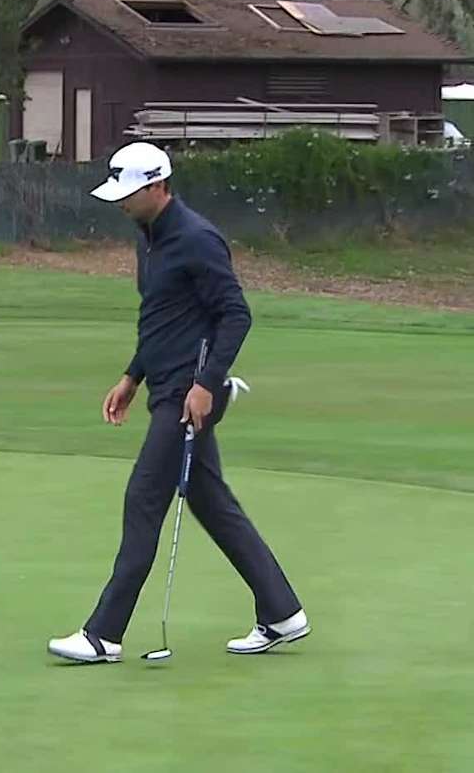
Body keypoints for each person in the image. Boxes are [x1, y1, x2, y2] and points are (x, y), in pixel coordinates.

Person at [47, 141, 308, 664]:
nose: (120, 203)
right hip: (166, 386)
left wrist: (207, 385)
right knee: (211, 502)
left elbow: (236, 315)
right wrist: (131, 375)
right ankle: (282, 612)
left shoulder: (196, 239)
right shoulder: (149, 239)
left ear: (157, 187)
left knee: (144, 498)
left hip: (190, 396)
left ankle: (104, 634)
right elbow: (162, 319)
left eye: (129, 193)